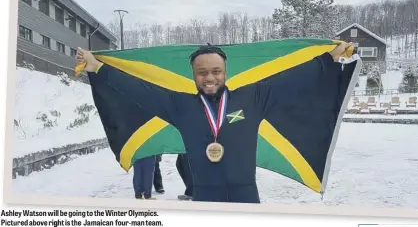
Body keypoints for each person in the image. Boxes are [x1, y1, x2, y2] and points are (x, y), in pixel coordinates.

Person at [75, 42, 351, 203]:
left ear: (225, 72)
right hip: (204, 197)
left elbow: (293, 78)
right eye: (202, 72)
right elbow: (139, 91)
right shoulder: (180, 105)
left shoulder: (253, 96)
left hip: (246, 196)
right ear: (193, 75)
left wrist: (329, 59)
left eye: (216, 71)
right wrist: (97, 68)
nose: (210, 78)